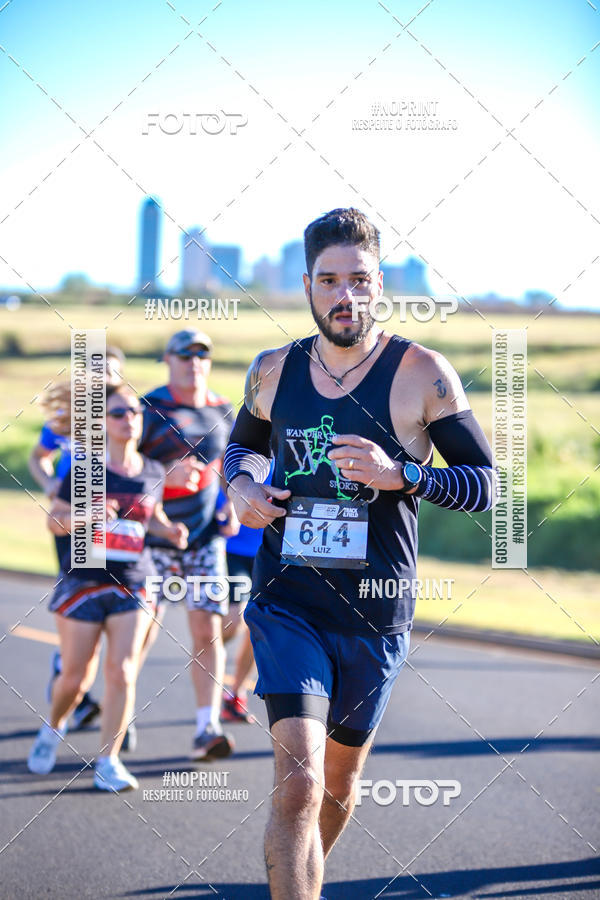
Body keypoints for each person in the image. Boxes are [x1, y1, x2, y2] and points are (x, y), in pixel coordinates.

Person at [224, 208, 498, 899]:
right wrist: (242, 485)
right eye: (328, 280)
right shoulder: (271, 370)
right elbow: (241, 447)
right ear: (307, 286)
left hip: (375, 611)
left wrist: (402, 473)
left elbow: (485, 486)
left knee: (337, 789)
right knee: (299, 781)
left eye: (359, 279)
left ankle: (303, 879)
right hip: (287, 600)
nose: (345, 295)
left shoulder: (422, 373)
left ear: (379, 284)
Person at [27, 384, 188, 792]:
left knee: (123, 671)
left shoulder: (152, 470)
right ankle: (54, 726)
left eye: (133, 411)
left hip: (134, 581)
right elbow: (54, 522)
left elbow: (150, 516)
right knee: (75, 679)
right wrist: (88, 514)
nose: (128, 419)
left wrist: (169, 531)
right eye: (118, 413)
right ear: (101, 423)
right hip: (85, 580)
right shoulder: (85, 470)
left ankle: (108, 762)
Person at [139, 329, 239, 760]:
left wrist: (231, 505)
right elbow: (120, 469)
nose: (194, 362)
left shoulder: (223, 409)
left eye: (202, 355)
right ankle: (119, 718)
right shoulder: (148, 409)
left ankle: (207, 728)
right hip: (153, 539)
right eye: (185, 355)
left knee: (207, 630)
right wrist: (164, 476)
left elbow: (230, 466)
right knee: (140, 632)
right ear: (168, 359)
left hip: (204, 538)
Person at [28, 346, 126, 731]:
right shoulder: (67, 416)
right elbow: (37, 457)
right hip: (73, 517)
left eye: (112, 372)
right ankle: (72, 681)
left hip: (116, 517)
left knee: (116, 603)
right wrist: (51, 484)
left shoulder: (125, 415)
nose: (105, 379)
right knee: (81, 596)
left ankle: (109, 696)